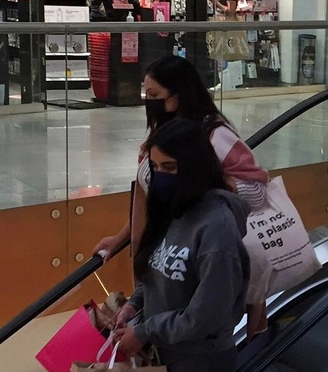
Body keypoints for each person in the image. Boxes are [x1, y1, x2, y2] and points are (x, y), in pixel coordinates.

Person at [110, 118, 250, 372]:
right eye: (156, 168)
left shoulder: (217, 226)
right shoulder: (173, 212)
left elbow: (206, 315)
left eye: (170, 168)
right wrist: (135, 306)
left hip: (201, 365)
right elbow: (156, 273)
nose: (161, 178)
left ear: (194, 167)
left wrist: (147, 331)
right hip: (167, 363)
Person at [93, 55, 269, 319]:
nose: (148, 101)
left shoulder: (213, 135)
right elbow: (151, 196)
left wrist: (205, 186)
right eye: (146, 93)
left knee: (179, 326)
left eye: (154, 94)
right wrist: (123, 235)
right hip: (160, 255)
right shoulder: (164, 132)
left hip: (188, 262)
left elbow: (255, 191)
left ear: (179, 93)